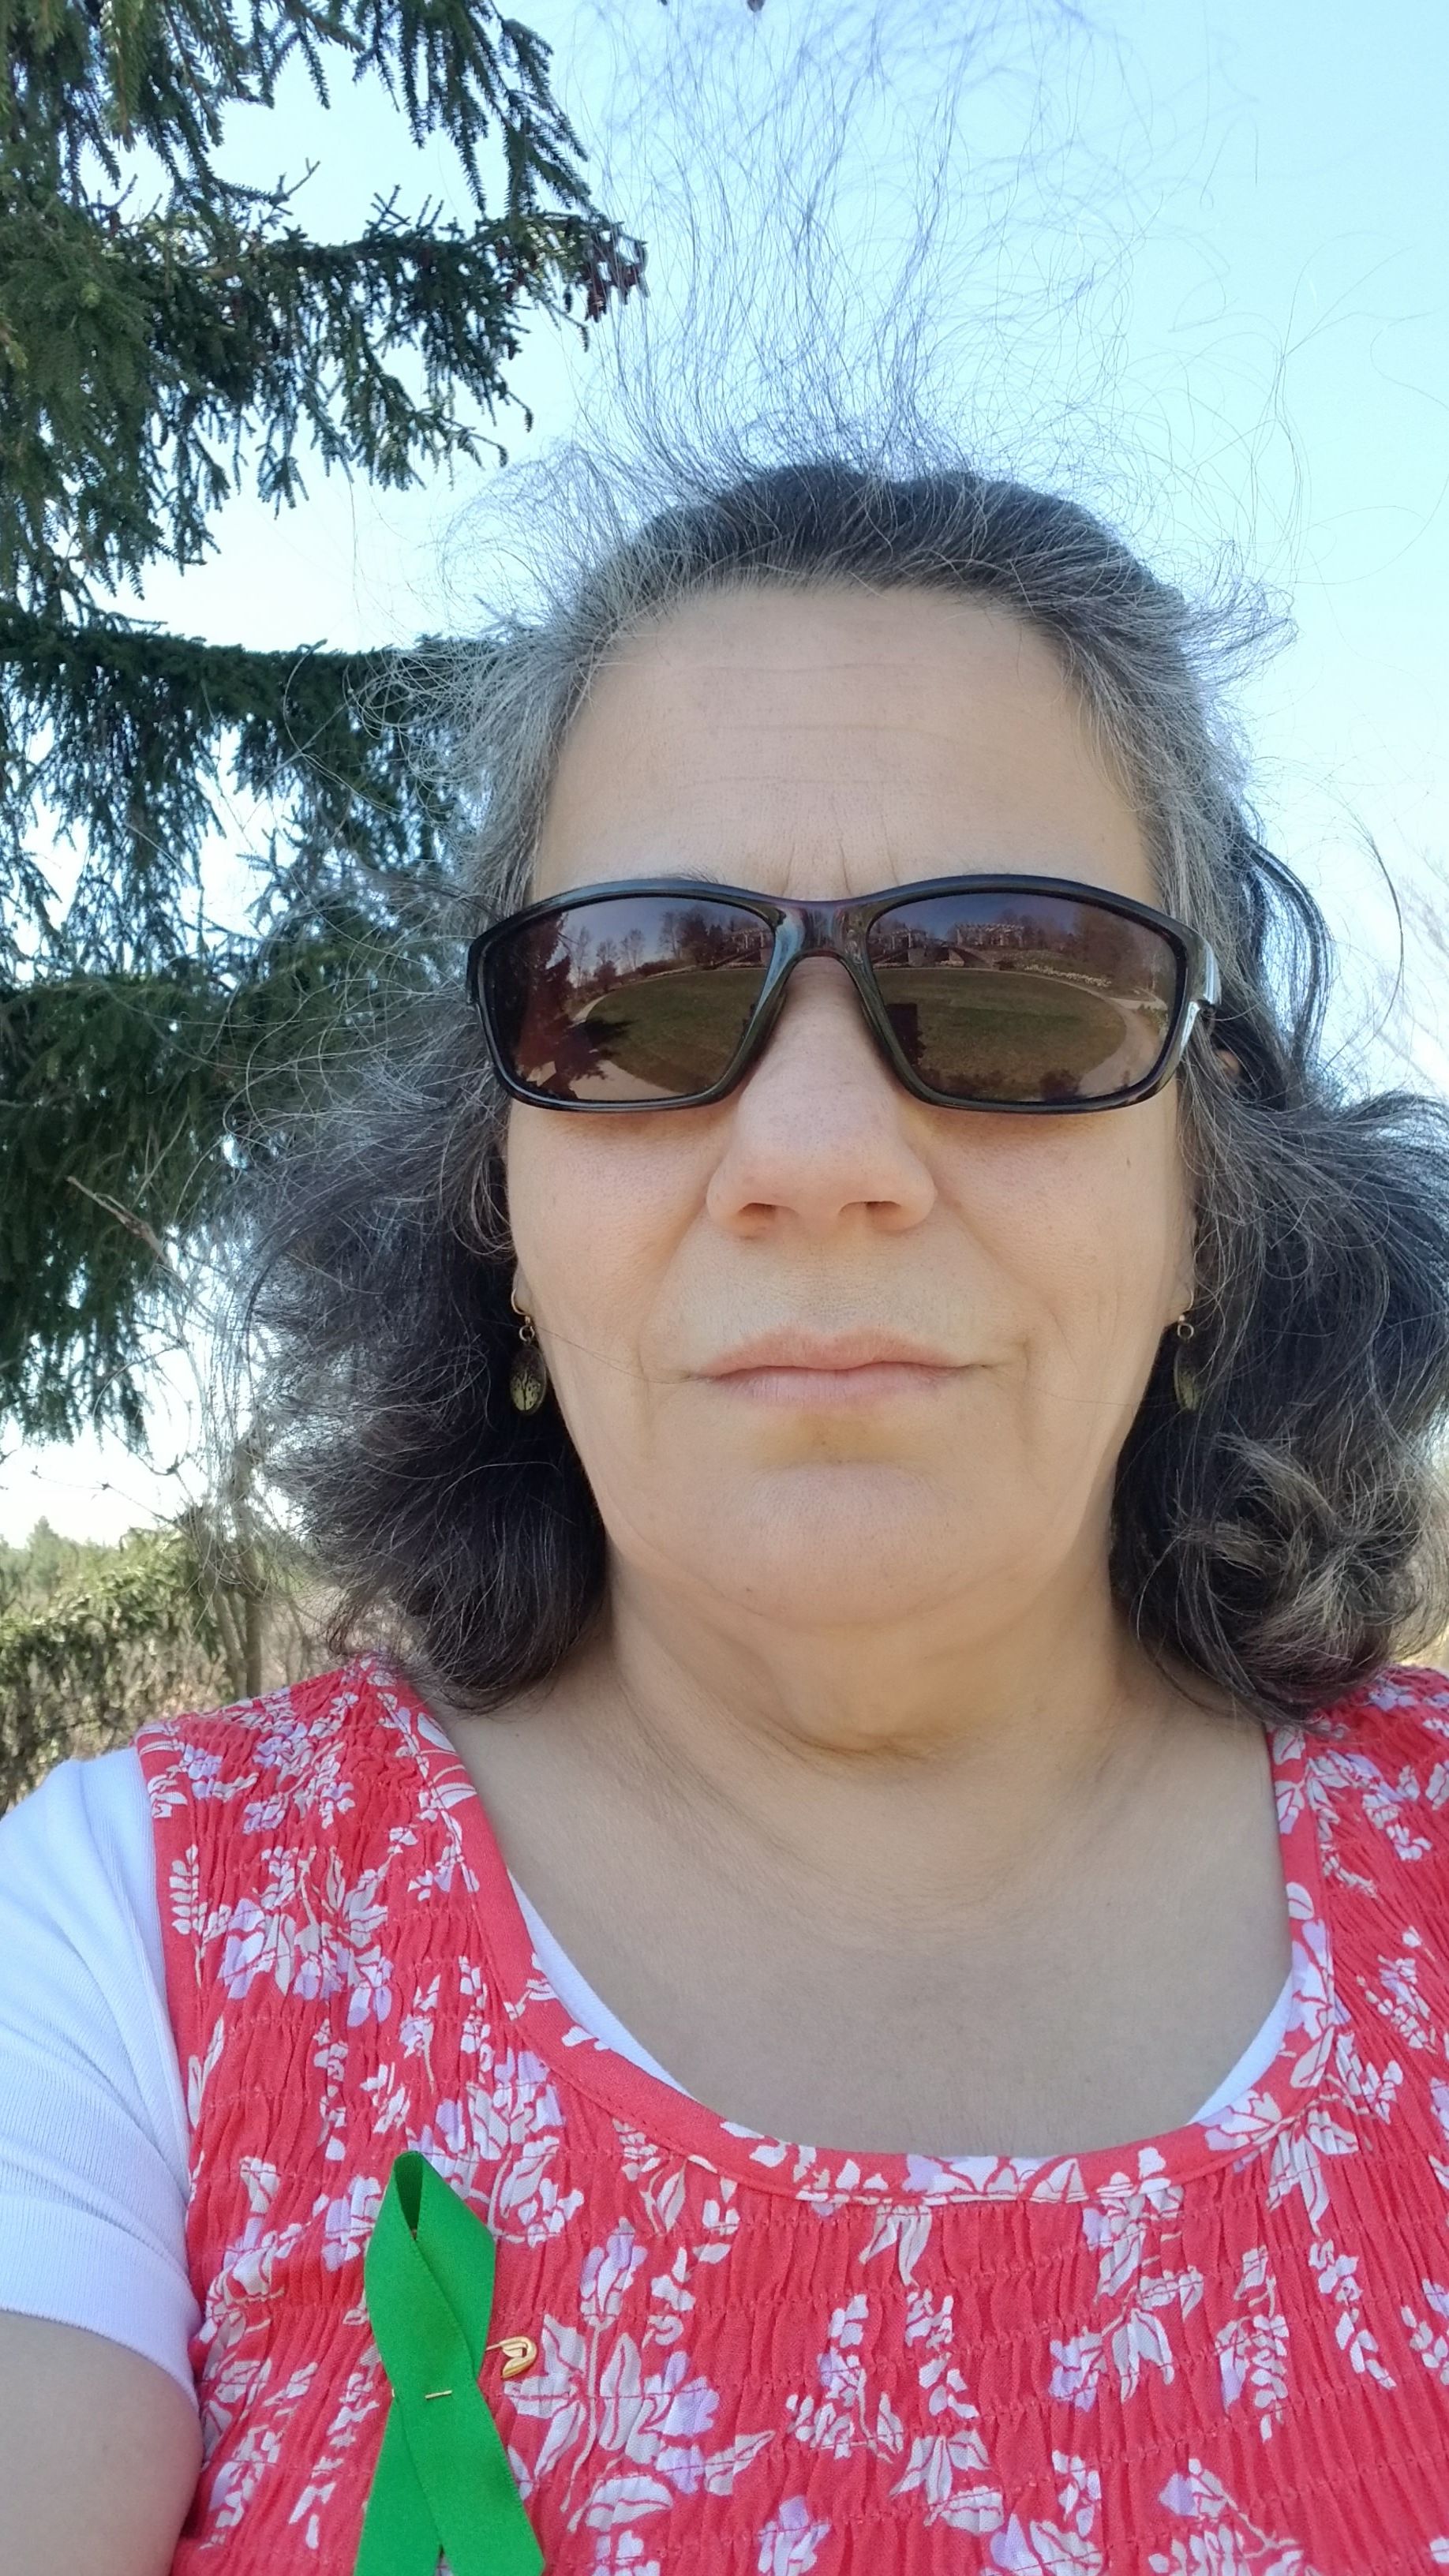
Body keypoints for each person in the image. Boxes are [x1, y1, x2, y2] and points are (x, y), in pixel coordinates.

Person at [4, 457, 1449, 2576]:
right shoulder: (120, 1954)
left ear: (1202, 1202)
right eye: (637, 999)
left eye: (1016, 990)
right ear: (501, 1206)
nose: (814, 1152)